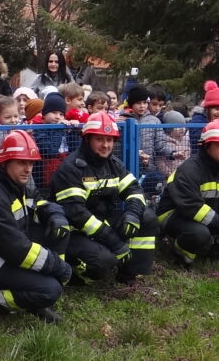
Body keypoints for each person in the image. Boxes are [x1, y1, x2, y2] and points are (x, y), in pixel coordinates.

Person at [0, 130, 73, 323]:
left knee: (60, 230)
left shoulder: (13, 182)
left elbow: (38, 201)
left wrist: (55, 215)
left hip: (10, 249)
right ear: (4, 162)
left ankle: (44, 285)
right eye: (22, 163)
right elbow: (16, 249)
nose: (28, 169)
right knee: (50, 290)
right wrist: (56, 266)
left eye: (31, 163)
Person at [50, 111, 157, 284]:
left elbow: (134, 189)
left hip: (101, 224)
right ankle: (75, 277)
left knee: (147, 217)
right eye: (99, 139)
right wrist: (114, 242)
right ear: (87, 139)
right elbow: (77, 214)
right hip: (74, 232)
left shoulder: (114, 164)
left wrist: (133, 213)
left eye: (109, 140)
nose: (106, 145)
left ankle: (130, 273)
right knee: (103, 261)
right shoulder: (70, 168)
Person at [158, 119, 219, 266]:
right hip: (174, 215)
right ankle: (180, 257)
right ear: (207, 146)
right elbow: (192, 208)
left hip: (206, 212)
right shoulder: (189, 171)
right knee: (198, 234)